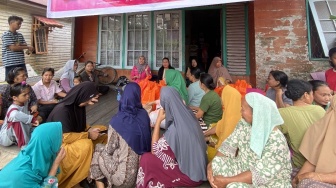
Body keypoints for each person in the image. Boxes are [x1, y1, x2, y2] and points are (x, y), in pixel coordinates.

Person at [207, 92, 292, 187]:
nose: (240, 111)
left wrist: (226, 181)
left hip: (269, 182)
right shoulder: (243, 124)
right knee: (216, 163)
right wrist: (211, 165)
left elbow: (260, 174)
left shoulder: (276, 140)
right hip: (244, 168)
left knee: (233, 186)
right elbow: (227, 147)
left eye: (243, 109)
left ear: (256, 113)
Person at [136, 86, 207, 187]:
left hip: (191, 176)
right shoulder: (189, 115)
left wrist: (158, 121)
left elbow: (154, 151)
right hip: (201, 169)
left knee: (146, 159)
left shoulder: (175, 129)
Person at [90, 83, 151, 188]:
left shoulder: (117, 121)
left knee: (99, 149)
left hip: (123, 179)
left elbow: (109, 150)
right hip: (142, 173)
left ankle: (101, 185)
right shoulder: (144, 115)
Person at [47, 82, 105, 188]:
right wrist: (88, 134)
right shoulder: (62, 110)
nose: (97, 96)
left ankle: (95, 166)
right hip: (59, 147)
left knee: (102, 130)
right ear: (84, 94)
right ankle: (75, 182)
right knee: (86, 144)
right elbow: (66, 137)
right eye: (93, 94)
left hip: (72, 138)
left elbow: (80, 124)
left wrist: (89, 129)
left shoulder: (79, 105)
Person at [0, 122, 66, 188]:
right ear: (50, 142)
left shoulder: (31, 155)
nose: (63, 138)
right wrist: (56, 164)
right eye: (60, 136)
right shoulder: (24, 174)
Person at [279, 79, 325, 171]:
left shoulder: (281, 113)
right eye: (312, 94)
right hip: (322, 162)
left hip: (299, 165)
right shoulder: (319, 110)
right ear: (306, 95)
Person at [293, 95, 336, 187]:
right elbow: (314, 159)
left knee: (308, 184)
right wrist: (298, 178)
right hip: (324, 174)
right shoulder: (324, 127)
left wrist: (315, 176)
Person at [204, 85, 241, 161]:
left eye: (222, 96)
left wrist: (213, 145)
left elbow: (226, 148)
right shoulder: (232, 111)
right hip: (225, 149)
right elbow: (219, 126)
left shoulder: (232, 118)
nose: (221, 99)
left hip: (227, 156)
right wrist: (204, 134)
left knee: (203, 151)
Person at [0, 82, 39, 148]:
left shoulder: (25, 102)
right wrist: (32, 119)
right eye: (24, 95)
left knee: (39, 131)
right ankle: (25, 147)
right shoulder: (13, 109)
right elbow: (15, 115)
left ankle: (22, 140)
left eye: (28, 93)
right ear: (15, 98)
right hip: (6, 138)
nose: (28, 96)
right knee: (17, 121)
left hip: (16, 135)